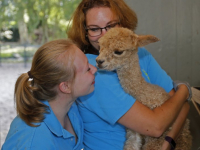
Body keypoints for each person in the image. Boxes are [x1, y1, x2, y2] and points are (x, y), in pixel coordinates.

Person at [67, 0, 192, 150]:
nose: (105, 35)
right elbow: (155, 126)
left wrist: (167, 142)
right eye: (94, 29)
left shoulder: (139, 53)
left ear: (122, 22)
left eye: (111, 25)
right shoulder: (90, 69)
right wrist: (184, 90)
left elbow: (181, 107)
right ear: (85, 32)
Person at [2, 39, 97, 150]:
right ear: (65, 87)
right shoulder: (35, 141)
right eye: (87, 69)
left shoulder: (70, 109)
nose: (94, 69)